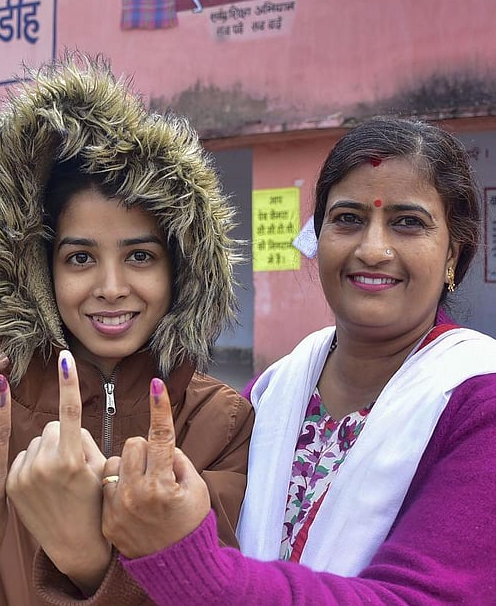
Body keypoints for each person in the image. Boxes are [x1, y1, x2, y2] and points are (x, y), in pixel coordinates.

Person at [101, 117, 496, 604]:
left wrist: (188, 562)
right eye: (348, 218)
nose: (372, 250)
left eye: (408, 222)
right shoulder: (274, 389)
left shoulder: (479, 401)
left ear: (454, 255)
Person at [0, 54, 254, 604]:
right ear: (39, 269)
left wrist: (83, 556)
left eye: (141, 257)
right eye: (79, 259)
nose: (112, 286)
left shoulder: (221, 422)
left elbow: (222, 588)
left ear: (180, 268)